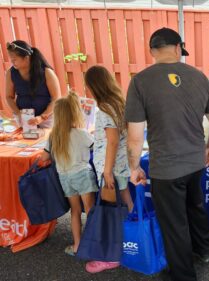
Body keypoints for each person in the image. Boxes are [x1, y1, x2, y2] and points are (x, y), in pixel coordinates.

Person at [125, 27, 209, 281]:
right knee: (195, 205)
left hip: (166, 168)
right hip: (195, 160)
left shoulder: (140, 81)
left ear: (152, 51)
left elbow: (135, 136)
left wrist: (134, 167)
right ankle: (204, 250)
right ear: (178, 48)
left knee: (174, 223)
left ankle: (183, 275)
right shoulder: (199, 77)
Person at [83, 66, 134, 273]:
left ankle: (112, 256)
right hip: (121, 165)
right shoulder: (118, 104)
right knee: (127, 203)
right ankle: (132, 243)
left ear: (93, 87)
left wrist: (106, 171)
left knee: (110, 212)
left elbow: (112, 141)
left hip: (111, 168)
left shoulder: (104, 108)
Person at [38, 92, 97, 257]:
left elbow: (44, 157)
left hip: (65, 178)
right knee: (90, 210)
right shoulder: (82, 134)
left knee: (75, 211)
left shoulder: (54, 137)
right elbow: (97, 148)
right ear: (74, 112)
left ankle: (78, 245)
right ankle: (94, 246)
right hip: (83, 175)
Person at [5, 40, 61, 128]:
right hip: (24, 119)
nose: (12, 62)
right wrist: (19, 114)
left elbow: (56, 98)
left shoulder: (47, 72)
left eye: (15, 59)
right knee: (24, 141)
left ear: (26, 58)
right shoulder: (10, 73)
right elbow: (8, 97)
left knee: (47, 141)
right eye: (11, 59)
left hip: (47, 118)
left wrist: (42, 117)